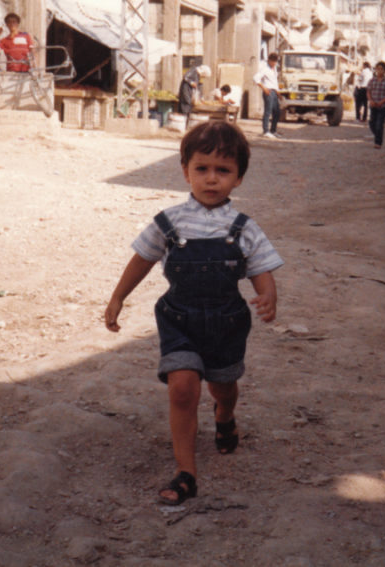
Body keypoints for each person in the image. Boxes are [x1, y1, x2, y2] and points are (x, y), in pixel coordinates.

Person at [104, 121, 282, 506]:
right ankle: (186, 472)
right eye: (202, 169)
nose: (211, 179)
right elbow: (142, 260)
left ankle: (224, 416)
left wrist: (268, 295)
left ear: (238, 178)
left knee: (223, 386)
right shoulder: (169, 222)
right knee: (183, 388)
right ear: (186, 171)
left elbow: (261, 269)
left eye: (223, 170)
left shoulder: (244, 227)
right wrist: (118, 297)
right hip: (179, 318)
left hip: (227, 323)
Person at [367, 60, 385, 149]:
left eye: (381, 69)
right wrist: (370, 100)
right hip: (373, 105)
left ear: (384, 70)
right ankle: (378, 135)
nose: (379, 71)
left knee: (379, 124)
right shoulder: (372, 81)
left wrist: (382, 102)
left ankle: (378, 142)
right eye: (378, 69)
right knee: (372, 123)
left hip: (383, 106)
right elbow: (368, 92)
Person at [253, 53, 281, 138]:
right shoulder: (265, 69)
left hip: (274, 92)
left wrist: (278, 93)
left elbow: (274, 82)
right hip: (268, 92)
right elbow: (256, 78)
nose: (274, 63)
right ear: (269, 60)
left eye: (275, 62)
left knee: (277, 112)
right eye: (273, 61)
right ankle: (266, 131)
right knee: (268, 111)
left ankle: (273, 130)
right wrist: (264, 88)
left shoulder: (274, 69)